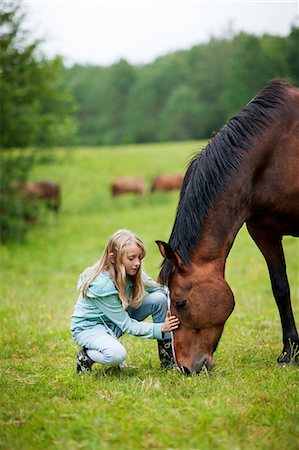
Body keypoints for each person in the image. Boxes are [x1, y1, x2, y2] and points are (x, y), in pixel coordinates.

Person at [70, 229, 179, 373]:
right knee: (117, 355)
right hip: (90, 328)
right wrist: (160, 328)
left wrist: (181, 296)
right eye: (132, 258)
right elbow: (127, 325)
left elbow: (159, 290)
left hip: (113, 322)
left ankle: (168, 359)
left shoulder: (131, 270)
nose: (137, 263)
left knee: (159, 299)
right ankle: (86, 356)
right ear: (113, 258)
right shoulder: (102, 285)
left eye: (139, 258)